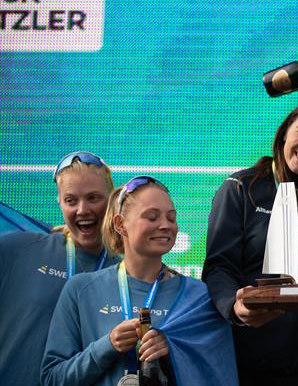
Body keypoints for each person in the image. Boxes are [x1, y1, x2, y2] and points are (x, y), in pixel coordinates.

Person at [202, 55, 298, 385]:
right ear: (285, 130)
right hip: (243, 365)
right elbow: (219, 268)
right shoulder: (242, 188)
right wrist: (236, 308)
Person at [41, 175, 237, 386]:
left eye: (171, 218)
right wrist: (106, 346)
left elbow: (220, 374)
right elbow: (53, 379)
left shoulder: (199, 295)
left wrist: (174, 351)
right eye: (152, 217)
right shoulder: (81, 289)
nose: (165, 226)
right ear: (120, 224)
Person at [0, 151, 118, 385]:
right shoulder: (18, 249)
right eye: (71, 200)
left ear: (112, 199)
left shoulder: (126, 272)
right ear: (59, 202)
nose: (82, 210)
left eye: (93, 198)